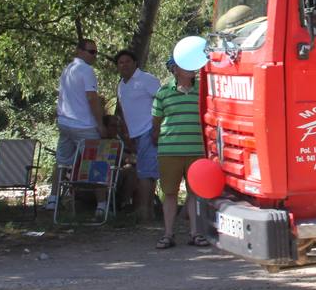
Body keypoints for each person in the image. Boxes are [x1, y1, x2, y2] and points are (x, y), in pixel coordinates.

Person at [152, 62, 210, 248]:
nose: (191, 69)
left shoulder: (202, 91)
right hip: (170, 152)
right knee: (170, 193)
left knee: (195, 194)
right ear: (175, 70)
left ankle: (195, 234)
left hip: (197, 151)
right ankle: (168, 234)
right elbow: (156, 123)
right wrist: (160, 143)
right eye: (185, 66)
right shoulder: (162, 92)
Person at [48, 38, 107, 216]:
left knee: (62, 162)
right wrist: (100, 124)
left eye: (95, 52)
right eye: (91, 52)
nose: (94, 56)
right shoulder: (86, 70)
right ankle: (102, 205)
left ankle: (53, 200)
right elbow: (91, 98)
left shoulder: (68, 69)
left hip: (65, 122)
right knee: (97, 163)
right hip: (83, 125)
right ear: (79, 51)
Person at [114, 49, 161, 220]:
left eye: (127, 61)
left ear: (135, 63)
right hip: (136, 135)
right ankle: (145, 209)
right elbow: (124, 112)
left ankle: (145, 210)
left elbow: (162, 102)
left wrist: (157, 129)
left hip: (149, 130)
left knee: (146, 172)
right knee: (144, 171)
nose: (124, 65)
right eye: (120, 62)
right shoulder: (121, 86)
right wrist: (128, 135)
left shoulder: (147, 80)